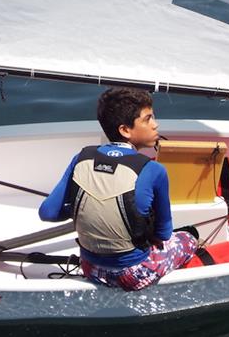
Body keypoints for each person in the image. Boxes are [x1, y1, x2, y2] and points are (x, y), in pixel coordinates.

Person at [39, 87, 198, 291]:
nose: (155, 124)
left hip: (90, 268)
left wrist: (86, 211)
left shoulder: (81, 158)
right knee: (188, 238)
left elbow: (48, 212)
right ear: (125, 130)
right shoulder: (153, 170)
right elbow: (164, 234)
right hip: (133, 274)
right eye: (148, 119)